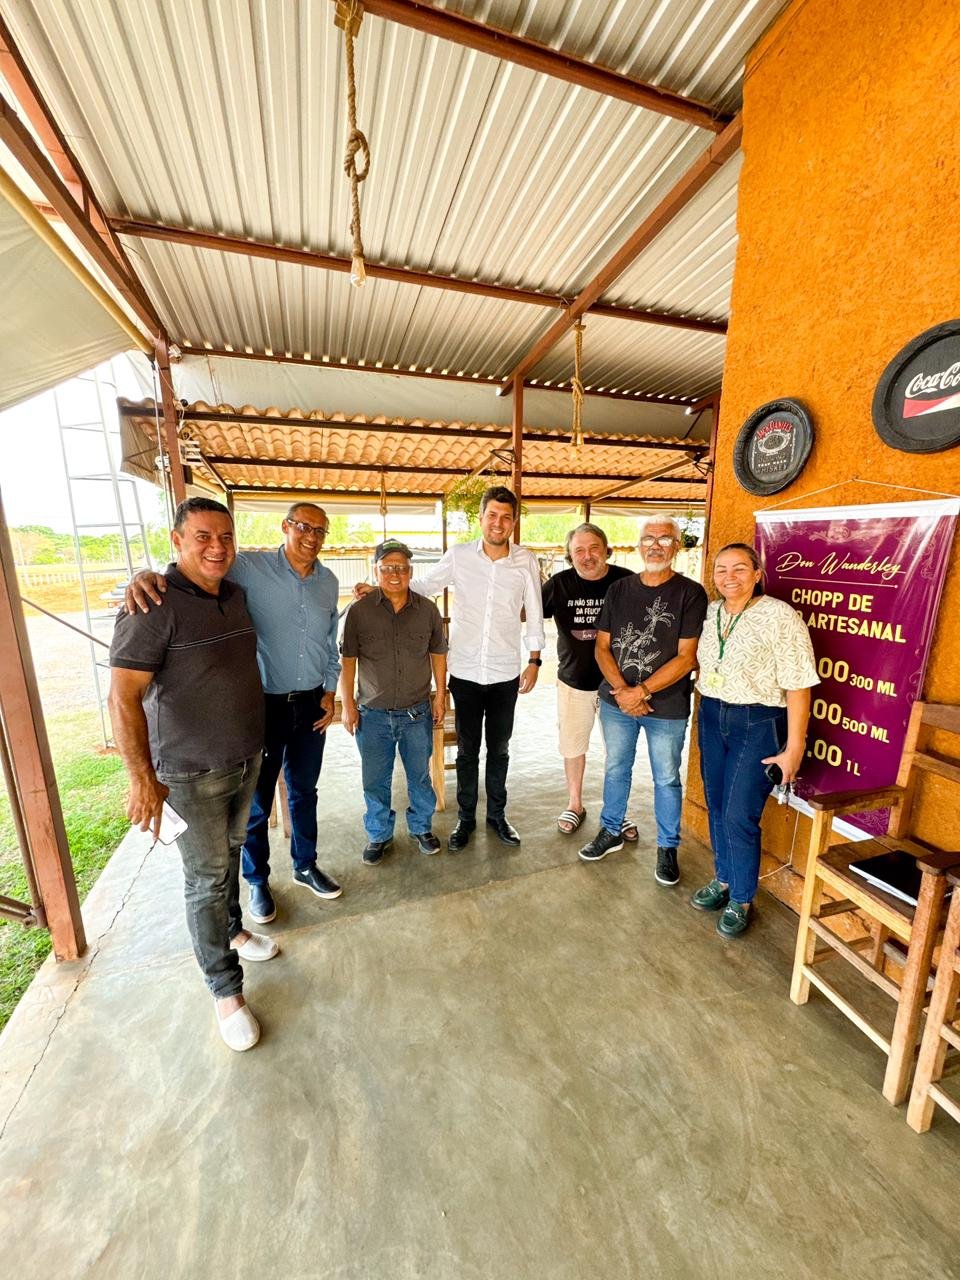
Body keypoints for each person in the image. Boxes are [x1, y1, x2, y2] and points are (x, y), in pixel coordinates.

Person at [125, 502, 343, 926]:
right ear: (285, 527)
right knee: (257, 801)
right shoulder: (248, 568)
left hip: (312, 703)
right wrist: (145, 575)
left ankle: (305, 865)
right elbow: (195, 565)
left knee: (305, 791)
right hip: (263, 704)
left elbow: (330, 640)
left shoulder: (329, 582)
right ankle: (257, 879)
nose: (311, 537)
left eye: (320, 530)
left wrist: (331, 691)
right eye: (303, 527)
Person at [109, 497, 272, 1052]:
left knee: (230, 856)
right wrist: (142, 779)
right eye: (202, 536)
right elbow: (123, 697)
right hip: (187, 773)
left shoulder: (236, 595)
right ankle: (226, 990)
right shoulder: (151, 605)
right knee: (206, 878)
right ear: (176, 540)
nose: (217, 547)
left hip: (245, 758)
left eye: (225, 537)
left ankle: (233, 931)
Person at [359, 486, 544, 851]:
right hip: (465, 671)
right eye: (492, 515)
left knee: (500, 748)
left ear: (513, 522)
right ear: (481, 518)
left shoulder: (525, 560)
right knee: (467, 750)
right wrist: (384, 585)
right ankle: (466, 818)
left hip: (505, 672)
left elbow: (535, 611)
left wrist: (534, 659)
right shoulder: (459, 556)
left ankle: (497, 816)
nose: (498, 523)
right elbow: (423, 585)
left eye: (506, 517)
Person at [691, 542, 818, 938]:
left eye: (740, 568)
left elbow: (799, 685)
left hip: (757, 721)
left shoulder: (780, 616)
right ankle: (724, 878)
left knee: (738, 813)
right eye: (722, 569)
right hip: (712, 715)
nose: (729, 577)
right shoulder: (711, 612)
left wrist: (794, 748)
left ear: (758, 573)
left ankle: (742, 898)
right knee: (715, 803)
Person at [579, 517, 708, 886]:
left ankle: (667, 846)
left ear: (676, 547)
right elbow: (602, 647)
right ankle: (611, 830)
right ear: (638, 545)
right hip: (617, 703)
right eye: (648, 538)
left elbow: (687, 657)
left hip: (665, 708)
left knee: (666, 778)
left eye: (664, 539)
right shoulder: (619, 590)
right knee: (616, 768)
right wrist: (624, 691)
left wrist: (642, 692)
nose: (654, 545)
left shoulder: (690, 594)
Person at [340, 539, 448, 864]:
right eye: (387, 567)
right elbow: (348, 661)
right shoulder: (359, 611)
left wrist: (440, 696)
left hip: (416, 712)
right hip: (372, 714)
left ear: (411, 571)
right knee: (375, 780)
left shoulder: (427, 610)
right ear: (376, 570)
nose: (395, 573)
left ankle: (421, 828)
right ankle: (379, 834)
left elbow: (438, 655)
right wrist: (347, 706)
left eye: (401, 567)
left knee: (420, 777)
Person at [541, 522, 634, 837]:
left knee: (618, 753)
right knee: (573, 746)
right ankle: (575, 803)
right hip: (574, 681)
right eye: (579, 550)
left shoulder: (627, 582)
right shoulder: (558, 584)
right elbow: (526, 614)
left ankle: (617, 812)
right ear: (570, 555)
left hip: (618, 684)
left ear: (606, 550)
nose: (587, 556)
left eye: (594, 548)